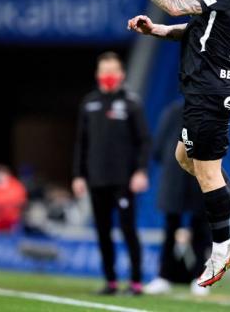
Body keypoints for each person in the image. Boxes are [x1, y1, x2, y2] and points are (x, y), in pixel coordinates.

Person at [112, 0, 230, 287]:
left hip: (209, 92)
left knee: (208, 173)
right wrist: (156, 31)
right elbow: (192, 28)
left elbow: (176, 4)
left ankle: (221, 249)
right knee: (184, 158)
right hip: (207, 90)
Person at [71, 52, 151, 295]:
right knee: (103, 232)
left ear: (121, 74)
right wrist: (77, 175)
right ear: (98, 74)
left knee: (128, 230)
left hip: (124, 181)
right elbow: (81, 143)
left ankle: (136, 282)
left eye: (112, 71)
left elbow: (144, 141)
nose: (108, 76)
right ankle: (111, 281)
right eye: (104, 71)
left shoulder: (131, 104)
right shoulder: (89, 103)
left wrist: (140, 171)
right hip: (96, 180)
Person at [143, 99, 211, 296]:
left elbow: (157, 150)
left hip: (193, 177)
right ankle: (174, 277)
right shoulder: (209, 112)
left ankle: (182, 277)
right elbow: (157, 150)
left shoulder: (173, 110)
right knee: (190, 229)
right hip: (188, 178)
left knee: (189, 229)